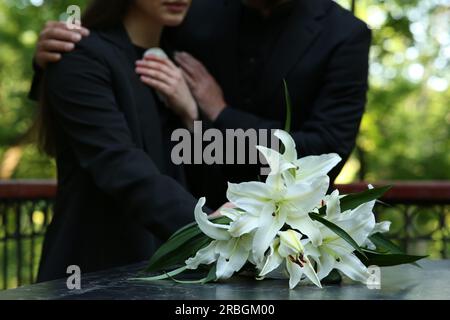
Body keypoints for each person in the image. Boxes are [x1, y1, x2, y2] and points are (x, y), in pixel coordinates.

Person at [32, 0, 371, 209]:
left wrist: (218, 113)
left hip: (278, 225)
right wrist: (56, 59)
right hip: (170, 223)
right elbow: (124, 54)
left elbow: (324, 154)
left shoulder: (345, 34)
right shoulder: (192, 10)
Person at [33, 0, 221, 282]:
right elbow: (119, 165)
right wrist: (211, 228)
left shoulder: (183, 65)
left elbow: (191, 173)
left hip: (171, 275)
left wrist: (191, 115)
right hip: (92, 275)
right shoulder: (80, 55)